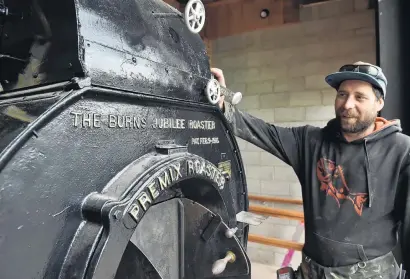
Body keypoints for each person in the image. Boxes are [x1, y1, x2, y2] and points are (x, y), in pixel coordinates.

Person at [211, 62, 410, 279]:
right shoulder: (310, 141)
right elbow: (260, 131)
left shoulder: (402, 150)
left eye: (359, 97)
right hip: (312, 271)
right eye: (342, 94)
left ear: (379, 102)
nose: (347, 104)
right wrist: (222, 106)